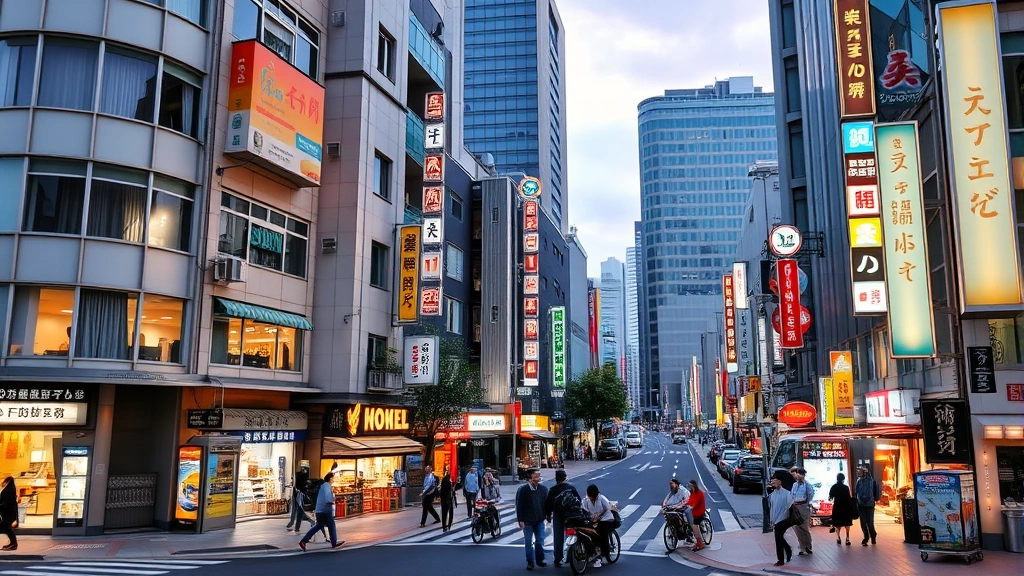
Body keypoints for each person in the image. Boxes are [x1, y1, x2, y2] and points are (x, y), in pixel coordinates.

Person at [298, 473, 343, 551]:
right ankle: (334, 542)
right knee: (331, 525)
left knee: (318, 526)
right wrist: (334, 500)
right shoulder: (326, 486)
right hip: (325, 510)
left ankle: (303, 541)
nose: (334, 479)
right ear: (330, 478)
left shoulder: (323, 486)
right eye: (333, 478)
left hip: (320, 510)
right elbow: (328, 499)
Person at [545, 470, 581, 567]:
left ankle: (558, 558)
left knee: (558, 537)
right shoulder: (571, 488)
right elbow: (579, 501)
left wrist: (548, 516)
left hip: (558, 515)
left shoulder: (553, 490)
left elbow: (548, 505)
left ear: (556, 479)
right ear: (565, 477)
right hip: (572, 516)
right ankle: (575, 553)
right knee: (574, 534)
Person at [515, 469, 549, 570]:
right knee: (528, 542)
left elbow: (546, 504)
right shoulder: (523, 490)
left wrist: (548, 515)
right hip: (527, 521)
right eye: (536, 476)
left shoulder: (543, 489)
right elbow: (519, 506)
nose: (538, 478)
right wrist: (520, 520)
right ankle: (530, 561)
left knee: (540, 540)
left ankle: (540, 559)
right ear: (530, 478)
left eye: (539, 476)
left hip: (539, 519)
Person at [582, 484, 616, 568]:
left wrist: (598, 517)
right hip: (593, 519)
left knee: (602, 532)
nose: (591, 498)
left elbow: (607, 509)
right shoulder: (585, 500)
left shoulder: (602, 499)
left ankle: (605, 552)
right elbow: (584, 509)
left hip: (605, 519)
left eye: (592, 497)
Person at [768, 472, 795, 567]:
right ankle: (788, 550)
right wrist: (772, 519)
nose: (773, 483)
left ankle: (781, 560)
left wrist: (784, 517)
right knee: (779, 538)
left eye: (775, 481)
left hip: (783, 520)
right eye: (772, 482)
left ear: (780, 481)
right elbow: (772, 508)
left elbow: (789, 507)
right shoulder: (773, 495)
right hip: (776, 519)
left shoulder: (787, 494)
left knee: (778, 539)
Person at [789, 466, 814, 555]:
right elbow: (792, 495)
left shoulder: (807, 485)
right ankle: (802, 547)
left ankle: (808, 545)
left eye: (799, 474)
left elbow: (810, 496)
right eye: (797, 474)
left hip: (804, 506)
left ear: (803, 475)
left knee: (804, 527)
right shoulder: (795, 485)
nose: (798, 476)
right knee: (797, 528)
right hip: (796, 506)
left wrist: (808, 505)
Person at [854, 467, 880, 546]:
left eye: (860, 472)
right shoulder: (871, 481)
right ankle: (870, 537)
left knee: (866, 522)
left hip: (864, 505)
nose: (859, 473)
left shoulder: (867, 481)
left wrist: (858, 501)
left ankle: (868, 537)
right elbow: (856, 492)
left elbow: (856, 492)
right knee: (868, 522)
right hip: (868, 505)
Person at [829, 472, 855, 546]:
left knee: (837, 524)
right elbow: (849, 497)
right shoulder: (846, 487)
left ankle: (838, 538)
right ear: (843, 479)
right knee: (847, 523)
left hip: (837, 507)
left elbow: (830, 497)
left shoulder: (834, 487)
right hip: (846, 507)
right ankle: (847, 538)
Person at [285, 466, 309, 532]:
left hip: (295, 495)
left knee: (294, 510)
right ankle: (296, 527)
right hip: (300, 496)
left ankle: (291, 523)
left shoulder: (297, 477)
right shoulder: (303, 479)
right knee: (300, 512)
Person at [685, 480, 706, 551]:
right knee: (693, 526)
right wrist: (685, 505)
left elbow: (696, 503)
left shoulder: (699, 493)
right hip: (695, 513)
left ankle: (700, 543)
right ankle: (698, 542)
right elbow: (689, 501)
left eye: (690, 485)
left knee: (694, 526)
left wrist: (691, 507)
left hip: (699, 512)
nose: (689, 487)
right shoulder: (692, 493)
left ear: (693, 485)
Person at [0, 476, 18, 551]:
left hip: (8, 513)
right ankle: (13, 544)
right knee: (7, 529)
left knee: (7, 528)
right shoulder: (10, 490)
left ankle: (13, 544)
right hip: (8, 513)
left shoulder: (8, 491)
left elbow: (6, 503)